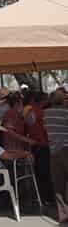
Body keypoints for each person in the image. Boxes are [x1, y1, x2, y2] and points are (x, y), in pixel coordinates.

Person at [23, 91, 54, 205]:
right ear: (43, 101)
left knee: (38, 173)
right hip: (44, 145)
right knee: (46, 173)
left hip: (34, 145)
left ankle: (40, 197)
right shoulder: (42, 113)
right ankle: (48, 198)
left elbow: (27, 127)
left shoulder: (29, 112)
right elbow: (47, 130)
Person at [44, 90, 68, 225]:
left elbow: (46, 129)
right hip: (66, 150)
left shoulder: (46, 114)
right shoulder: (66, 113)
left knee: (58, 186)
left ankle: (63, 218)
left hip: (54, 152)